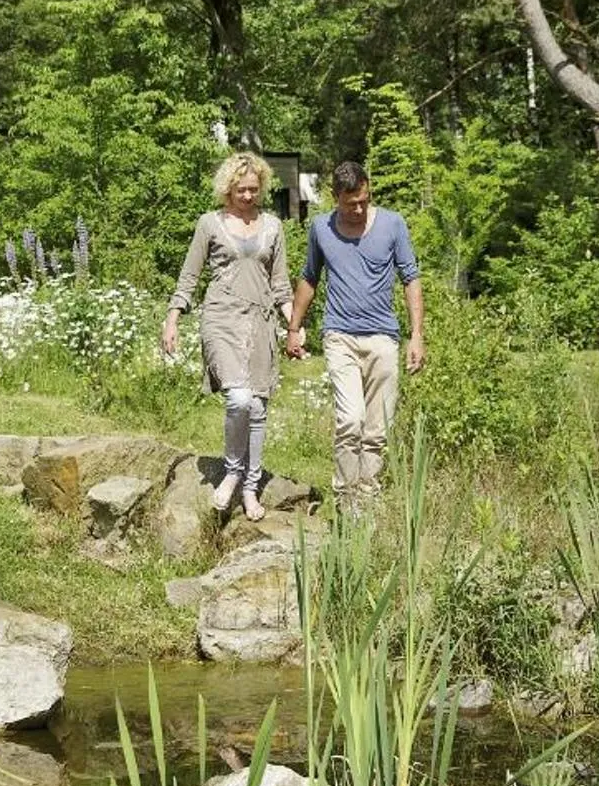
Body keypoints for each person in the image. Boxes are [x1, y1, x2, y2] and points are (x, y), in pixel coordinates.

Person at [163, 153, 295, 522]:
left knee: (257, 408)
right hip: (221, 319)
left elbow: (281, 285)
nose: (249, 196)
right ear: (227, 188)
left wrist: (294, 327)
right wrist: (173, 317)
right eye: (242, 190)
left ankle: (251, 488)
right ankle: (233, 471)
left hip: (260, 322)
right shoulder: (210, 223)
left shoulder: (273, 226)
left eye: (255, 189)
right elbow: (190, 275)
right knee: (237, 398)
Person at [285, 161, 425, 507]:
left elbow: (410, 278)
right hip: (340, 336)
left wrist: (417, 334)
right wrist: (293, 328)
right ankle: (346, 501)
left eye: (364, 199)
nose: (359, 208)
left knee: (378, 430)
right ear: (336, 198)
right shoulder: (321, 228)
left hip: (383, 338)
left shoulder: (393, 224)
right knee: (351, 420)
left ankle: (368, 501)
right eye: (351, 203)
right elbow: (309, 278)